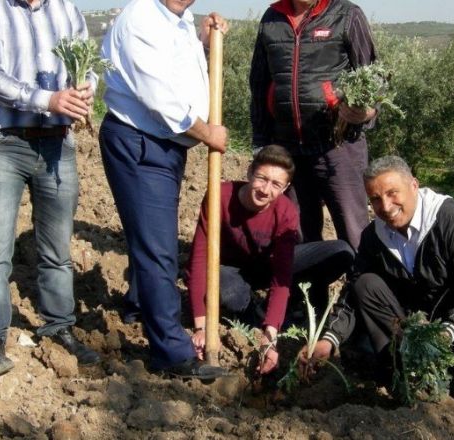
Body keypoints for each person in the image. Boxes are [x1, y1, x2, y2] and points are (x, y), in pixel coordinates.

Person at [0, 0, 101, 380]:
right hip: (3, 142)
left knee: (57, 250)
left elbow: (86, 65)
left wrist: (85, 89)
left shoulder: (66, 10)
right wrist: (49, 100)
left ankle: (59, 327)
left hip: (58, 144)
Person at [300, 155, 454, 393]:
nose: (386, 206)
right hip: (430, 309)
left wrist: (445, 333)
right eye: (375, 199)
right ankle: (399, 374)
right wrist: (330, 339)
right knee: (365, 284)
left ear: (414, 185)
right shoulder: (375, 235)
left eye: (393, 193)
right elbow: (353, 291)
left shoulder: (453, 221)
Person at [99, 0, 229, 380]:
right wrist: (209, 134)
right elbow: (160, 98)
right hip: (141, 143)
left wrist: (205, 44)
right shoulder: (140, 18)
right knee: (159, 249)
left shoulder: (179, 19)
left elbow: (179, 77)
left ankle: (140, 305)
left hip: (164, 146)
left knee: (153, 237)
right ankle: (171, 353)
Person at [186, 145, 354, 374]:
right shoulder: (220, 196)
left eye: (276, 184)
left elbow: (281, 275)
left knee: (341, 252)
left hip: (266, 266)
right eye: (262, 178)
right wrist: (201, 327)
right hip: (230, 271)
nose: (266, 189)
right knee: (226, 290)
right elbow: (198, 260)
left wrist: (270, 336)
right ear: (249, 173)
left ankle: (292, 305)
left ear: (285, 188)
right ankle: (253, 312)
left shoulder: (285, 212)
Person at [250, 0, 378, 250]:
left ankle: (359, 288)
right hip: (287, 149)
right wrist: (261, 141)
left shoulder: (347, 14)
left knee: (354, 231)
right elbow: (258, 84)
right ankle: (305, 290)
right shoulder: (271, 18)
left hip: (338, 147)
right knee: (295, 234)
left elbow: (373, 76)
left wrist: (368, 112)